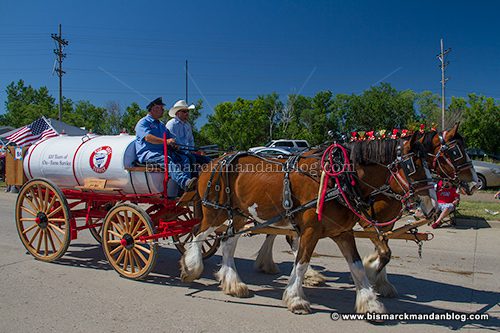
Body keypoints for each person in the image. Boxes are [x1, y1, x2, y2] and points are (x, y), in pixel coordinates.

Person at [135, 97, 197, 192]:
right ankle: (185, 182)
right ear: (154, 108)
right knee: (166, 160)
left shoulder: (161, 125)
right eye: (161, 108)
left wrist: (174, 143)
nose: (163, 111)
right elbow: (148, 138)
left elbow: (171, 138)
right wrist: (166, 141)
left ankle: (185, 190)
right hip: (149, 154)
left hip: (163, 152)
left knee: (184, 158)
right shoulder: (143, 122)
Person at [166, 100, 211, 175]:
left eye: (187, 111)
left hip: (187, 152)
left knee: (208, 160)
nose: (187, 113)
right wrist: (187, 151)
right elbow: (173, 142)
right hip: (175, 153)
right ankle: (188, 183)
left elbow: (190, 140)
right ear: (177, 113)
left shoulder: (188, 125)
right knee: (189, 159)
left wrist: (192, 150)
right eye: (184, 111)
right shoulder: (171, 124)